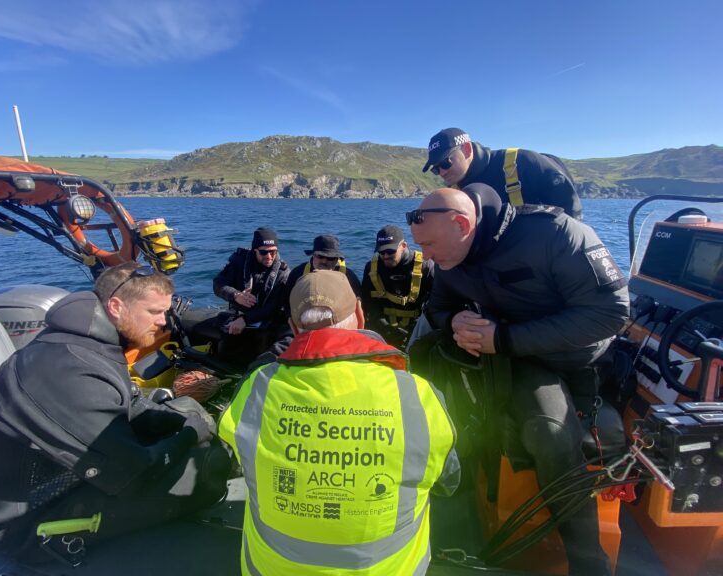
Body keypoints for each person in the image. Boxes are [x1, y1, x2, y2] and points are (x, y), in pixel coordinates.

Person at [408, 186, 629, 575]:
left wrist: (506, 338)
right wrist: (453, 320)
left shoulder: (555, 234)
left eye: (428, 244)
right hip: (516, 358)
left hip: (573, 357)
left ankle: (589, 564)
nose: (425, 256)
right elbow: (438, 306)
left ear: (462, 224)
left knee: (551, 432)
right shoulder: (449, 259)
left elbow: (611, 313)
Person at [0, 262, 231, 563]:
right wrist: (189, 434)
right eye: (154, 312)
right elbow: (136, 471)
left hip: (68, 473)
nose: (164, 322)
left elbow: (129, 404)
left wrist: (184, 420)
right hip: (33, 522)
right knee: (210, 465)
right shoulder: (69, 372)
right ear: (116, 306)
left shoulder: (86, 344)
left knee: (187, 414)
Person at [219, 270, 460, 575]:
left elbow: (237, 455)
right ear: (360, 315)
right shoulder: (417, 394)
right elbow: (449, 483)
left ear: (293, 328)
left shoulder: (255, 389)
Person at [422, 128, 582, 219]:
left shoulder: (522, 163)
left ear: (467, 149)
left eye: (445, 163)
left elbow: (572, 215)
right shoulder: (456, 191)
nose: (442, 172)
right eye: (436, 169)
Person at [212, 227, 291, 366]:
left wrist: (245, 320)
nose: (269, 256)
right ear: (254, 250)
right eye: (264, 252)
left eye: (273, 252)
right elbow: (218, 284)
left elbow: (274, 306)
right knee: (226, 341)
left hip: (266, 319)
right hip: (238, 313)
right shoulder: (239, 262)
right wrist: (235, 295)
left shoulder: (283, 273)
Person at [361, 224, 434, 349]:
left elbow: (436, 302)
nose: (385, 256)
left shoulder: (426, 267)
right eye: (381, 252)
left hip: (417, 329)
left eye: (390, 251)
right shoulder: (372, 268)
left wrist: (416, 328)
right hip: (383, 327)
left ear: (403, 246)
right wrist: (383, 326)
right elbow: (368, 302)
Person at [283, 234, 362, 315]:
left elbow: (358, 304)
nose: (324, 261)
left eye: (330, 258)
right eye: (320, 256)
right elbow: (286, 301)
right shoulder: (298, 273)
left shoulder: (348, 277)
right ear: (313, 255)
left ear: (337, 259)